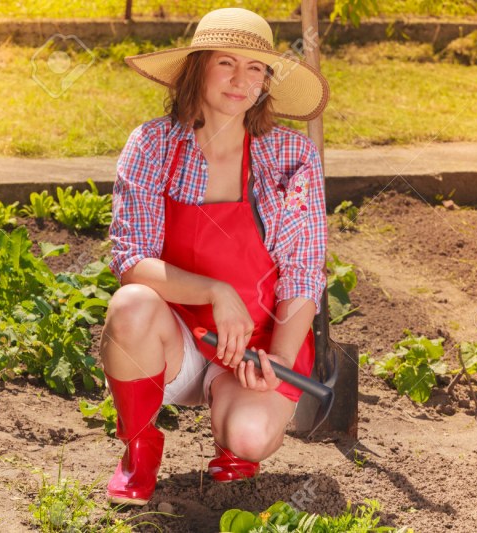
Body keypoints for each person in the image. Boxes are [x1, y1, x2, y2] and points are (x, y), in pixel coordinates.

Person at [100, 7, 330, 506]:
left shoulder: (291, 157)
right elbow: (132, 260)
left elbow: (302, 272)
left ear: (266, 82)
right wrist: (214, 291)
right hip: (178, 337)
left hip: (255, 347)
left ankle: (233, 445)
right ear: (197, 68)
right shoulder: (154, 145)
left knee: (250, 434)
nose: (241, 80)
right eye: (226, 63)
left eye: (255, 68)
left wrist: (279, 358)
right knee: (131, 304)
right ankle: (139, 448)